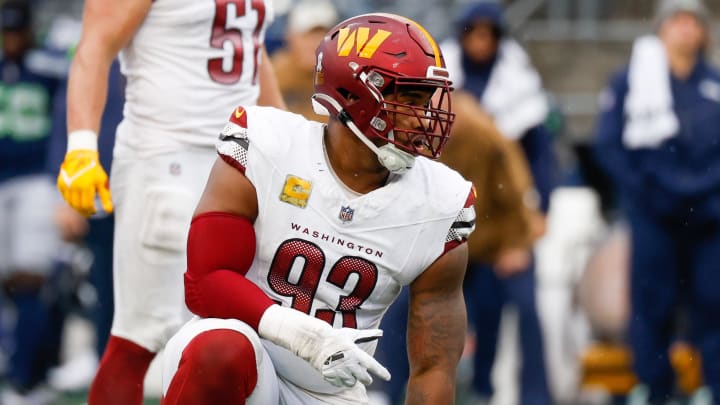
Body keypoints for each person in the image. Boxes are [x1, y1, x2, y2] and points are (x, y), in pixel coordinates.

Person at [160, 13, 476, 405]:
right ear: (356, 94)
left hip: (331, 391)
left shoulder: (441, 203)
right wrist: (303, 336)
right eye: (409, 98)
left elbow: (434, 369)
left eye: (426, 100)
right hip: (246, 355)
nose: (423, 117)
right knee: (220, 351)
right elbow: (206, 282)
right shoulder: (268, 145)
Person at [54, 0, 286, 403]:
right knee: (140, 338)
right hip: (168, 159)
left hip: (242, 160)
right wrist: (81, 145)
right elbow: (94, 46)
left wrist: (282, 135)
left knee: (233, 332)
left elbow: (250, 48)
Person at [372, 90, 541, 405]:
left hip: (485, 246)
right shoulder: (405, 138)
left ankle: (490, 389)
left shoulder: (488, 138)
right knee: (396, 306)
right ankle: (385, 386)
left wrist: (516, 243)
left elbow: (516, 193)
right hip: (428, 245)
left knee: (500, 307)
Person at [593, 0, 719, 403]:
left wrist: (705, 187)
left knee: (713, 303)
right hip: (654, 215)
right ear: (661, 28)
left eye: (692, 21)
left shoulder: (714, 83)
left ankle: (712, 386)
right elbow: (609, 145)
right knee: (652, 305)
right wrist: (646, 191)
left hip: (710, 216)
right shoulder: (630, 82)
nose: (685, 29)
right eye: (677, 20)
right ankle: (654, 386)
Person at [440, 2, 557, 404]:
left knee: (516, 307)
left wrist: (535, 219)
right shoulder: (439, 87)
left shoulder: (518, 87)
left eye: (489, 33)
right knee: (425, 308)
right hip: (445, 219)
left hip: (502, 221)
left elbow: (537, 162)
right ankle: (400, 390)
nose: (480, 42)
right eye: (473, 32)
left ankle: (528, 395)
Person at [0, 0, 65, 402]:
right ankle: (19, 366)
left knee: (31, 278)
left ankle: (27, 374)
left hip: (37, 181)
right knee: (10, 279)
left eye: (17, 31)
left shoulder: (49, 67)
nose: (12, 39)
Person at [271, 0, 338, 122]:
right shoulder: (275, 73)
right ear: (290, 37)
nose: (313, 43)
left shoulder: (343, 75)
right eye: (306, 35)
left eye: (321, 34)